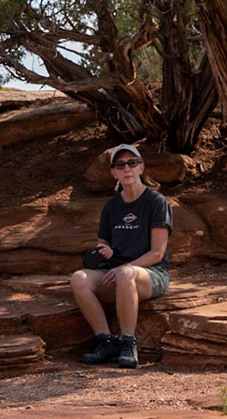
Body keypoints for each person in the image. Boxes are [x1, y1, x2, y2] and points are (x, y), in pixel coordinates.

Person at [70, 143, 171, 369]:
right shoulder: (111, 207)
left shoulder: (156, 202)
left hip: (152, 274)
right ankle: (105, 342)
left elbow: (157, 253)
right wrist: (103, 253)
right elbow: (103, 244)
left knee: (126, 274)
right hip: (116, 273)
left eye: (132, 163)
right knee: (79, 279)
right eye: (120, 164)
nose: (127, 168)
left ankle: (128, 343)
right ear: (113, 172)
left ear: (141, 168)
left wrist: (122, 269)